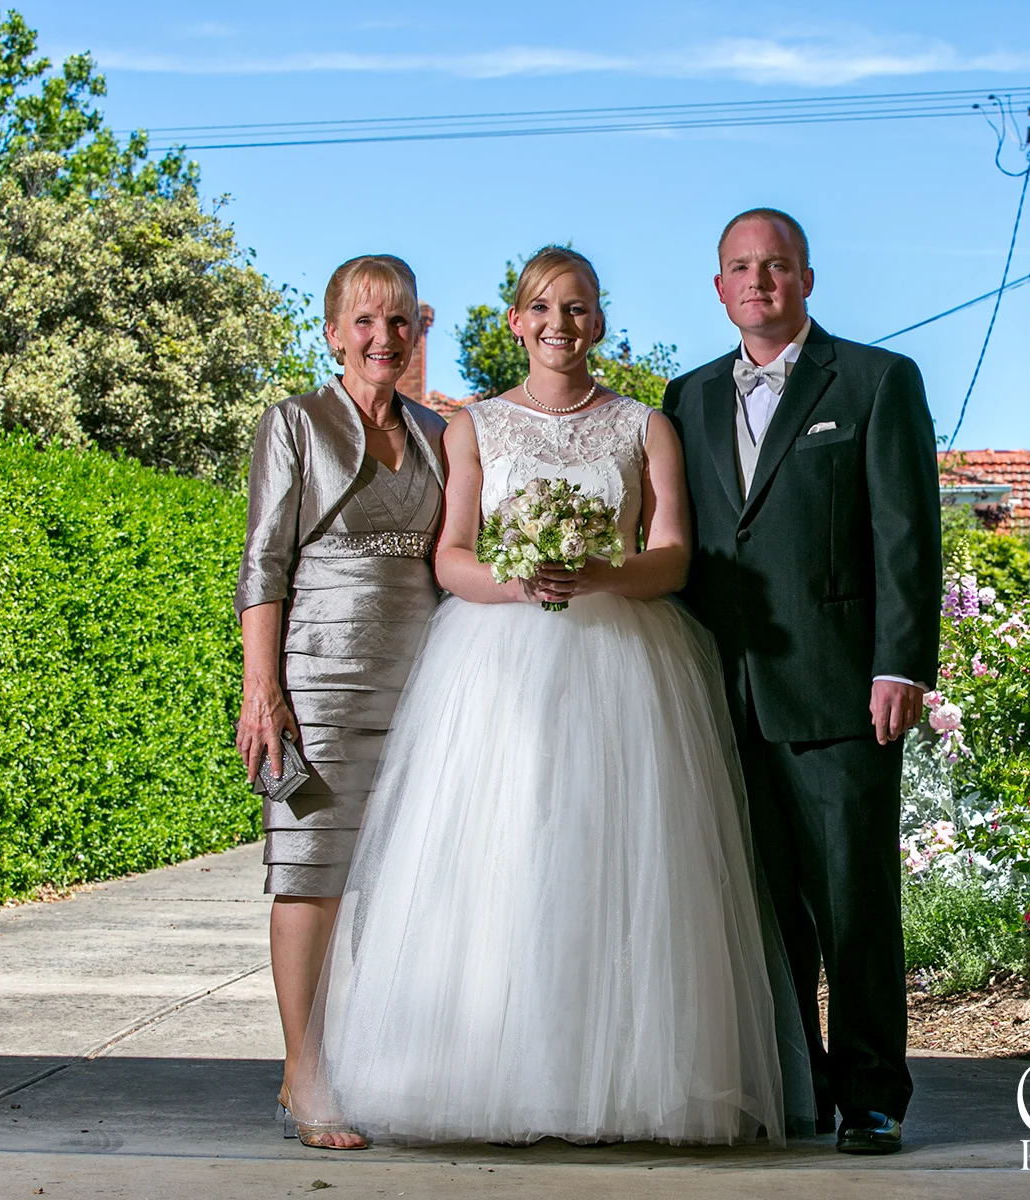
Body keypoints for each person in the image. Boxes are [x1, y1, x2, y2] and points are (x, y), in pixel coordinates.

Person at [287, 246, 786, 1146]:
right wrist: (517, 584)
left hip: (625, 661)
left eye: (579, 307)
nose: (562, 323)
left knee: (614, 863)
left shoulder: (645, 426)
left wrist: (603, 573)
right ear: (517, 322)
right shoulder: (472, 428)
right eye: (545, 308)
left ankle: (623, 1082)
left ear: (600, 322)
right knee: (502, 859)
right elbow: (451, 557)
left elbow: (673, 557)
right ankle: (489, 1076)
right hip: (497, 662)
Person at [661, 209, 943, 1154]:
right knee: (763, 911)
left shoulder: (875, 381)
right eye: (741, 267)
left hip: (840, 692)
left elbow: (906, 534)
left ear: (806, 278)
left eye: (775, 264)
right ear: (719, 289)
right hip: (720, 693)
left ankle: (872, 1096)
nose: (759, 280)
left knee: (853, 901)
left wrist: (899, 663)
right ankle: (797, 1087)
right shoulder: (686, 397)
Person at [235, 254, 446, 1151]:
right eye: (364, 321)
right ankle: (305, 1068)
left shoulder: (439, 432)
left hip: (424, 680)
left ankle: (383, 1062)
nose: (382, 338)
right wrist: (262, 691)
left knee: (400, 882)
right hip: (316, 681)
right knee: (310, 871)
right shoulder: (292, 422)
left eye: (398, 321)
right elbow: (263, 562)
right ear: (332, 333)